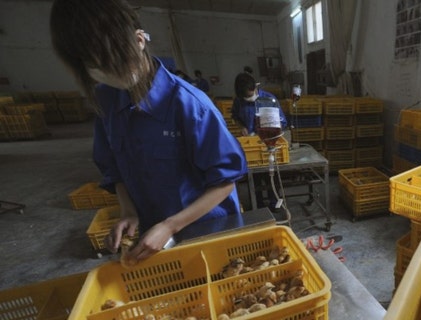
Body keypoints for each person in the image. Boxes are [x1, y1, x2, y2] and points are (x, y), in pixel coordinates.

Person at [50, 0, 248, 264]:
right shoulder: (106, 102)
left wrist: (171, 226)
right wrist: (129, 212)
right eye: (95, 67)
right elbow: (115, 169)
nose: (108, 74)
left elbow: (225, 181)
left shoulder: (189, 104)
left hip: (206, 228)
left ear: (139, 40)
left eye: (113, 62)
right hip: (152, 232)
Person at [231, 73, 287, 211]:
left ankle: (274, 203)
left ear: (256, 87)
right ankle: (259, 206)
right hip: (251, 146)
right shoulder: (238, 101)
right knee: (254, 179)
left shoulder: (268, 99)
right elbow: (235, 117)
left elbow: (282, 122)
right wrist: (242, 127)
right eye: (246, 97)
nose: (249, 99)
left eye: (251, 95)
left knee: (271, 176)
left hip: (268, 143)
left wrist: (270, 130)